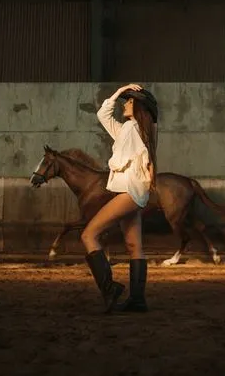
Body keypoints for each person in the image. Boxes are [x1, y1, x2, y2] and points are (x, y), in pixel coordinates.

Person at [81, 83, 158, 314]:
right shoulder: (135, 130)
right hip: (135, 192)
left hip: (128, 193)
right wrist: (120, 90)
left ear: (138, 107)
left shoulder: (130, 130)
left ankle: (110, 289)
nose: (124, 103)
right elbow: (103, 114)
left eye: (129, 100)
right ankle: (137, 300)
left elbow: (117, 161)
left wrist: (118, 91)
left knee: (88, 235)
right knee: (134, 245)